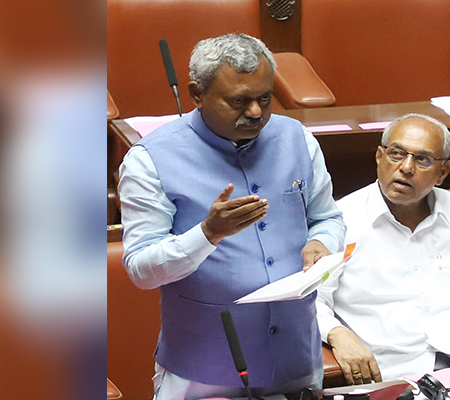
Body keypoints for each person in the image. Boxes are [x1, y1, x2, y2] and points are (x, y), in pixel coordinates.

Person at [118, 33, 345, 400]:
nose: (255, 112)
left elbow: (327, 218)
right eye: (239, 101)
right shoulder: (150, 160)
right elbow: (142, 270)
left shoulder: (297, 139)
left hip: (296, 357)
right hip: (203, 369)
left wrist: (321, 242)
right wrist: (208, 233)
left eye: (264, 98)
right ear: (197, 94)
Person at [316, 114, 450, 385]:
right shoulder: (340, 222)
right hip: (395, 373)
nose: (406, 167)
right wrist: (336, 333)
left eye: (422, 159)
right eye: (396, 153)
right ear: (379, 157)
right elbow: (312, 300)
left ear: (443, 172)